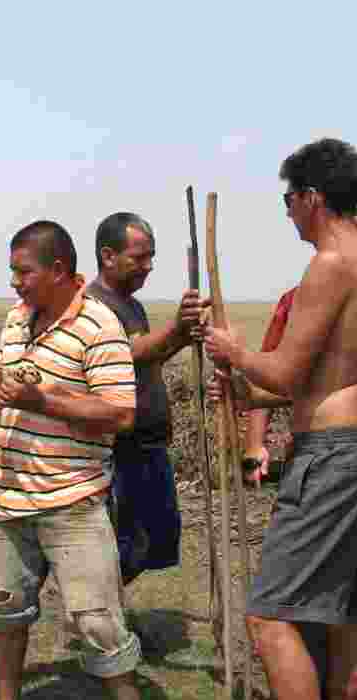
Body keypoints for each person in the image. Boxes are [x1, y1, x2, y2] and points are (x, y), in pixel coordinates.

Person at [205, 138, 357, 700]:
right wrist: (240, 385)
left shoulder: (330, 264)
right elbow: (322, 377)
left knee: (268, 615)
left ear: (313, 197)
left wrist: (232, 348)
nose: (287, 212)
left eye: (289, 199)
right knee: (348, 613)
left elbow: (287, 375)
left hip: (335, 458)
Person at [0, 220, 154, 700]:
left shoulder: (99, 326)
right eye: (12, 271)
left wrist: (45, 401)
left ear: (59, 271)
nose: (15, 283)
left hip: (72, 500)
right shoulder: (17, 319)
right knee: (4, 605)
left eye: (23, 272)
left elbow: (120, 412)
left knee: (96, 618)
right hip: (8, 496)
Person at [237, 198, 357, 700]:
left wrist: (232, 354)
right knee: (324, 587)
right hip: (339, 453)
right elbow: (281, 377)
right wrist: (255, 442)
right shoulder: (304, 298)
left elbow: (279, 377)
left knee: (350, 588)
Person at [84, 213, 209, 590]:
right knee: (126, 543)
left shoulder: (130, 305)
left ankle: (103, 611)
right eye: (139, 257)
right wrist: (176, 327)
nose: (148, 266)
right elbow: (127, 353)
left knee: (155, 538)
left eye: (151, 257)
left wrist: (182, 338)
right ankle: (98, 616)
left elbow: (146, 358)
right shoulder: (94, 305)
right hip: (121, 446)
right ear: (108, 256)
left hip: (148, 443)